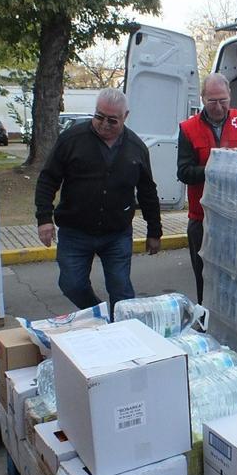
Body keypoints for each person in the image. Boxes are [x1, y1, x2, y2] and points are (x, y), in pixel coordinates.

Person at [35, 87, 162, 314]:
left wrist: (154, 231)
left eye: (112, 120)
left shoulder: (136, 148)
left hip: (116, 233)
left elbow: (147, 192)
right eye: (99, 117)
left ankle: (126, 332)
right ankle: (99, 315)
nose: (104, 124)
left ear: (126, 117)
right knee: (71, 284)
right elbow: (48, 179)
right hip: (75, 231)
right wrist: (44, 218)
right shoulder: (71, 140)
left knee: (121, 290)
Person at [177, 74, 237, 302]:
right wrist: (215, 167)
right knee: (205, 278)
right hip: (202, 219)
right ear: (202, 98)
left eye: (223, 100)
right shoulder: (188, 128)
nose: (218, 106)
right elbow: (183, 172)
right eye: (212, 101)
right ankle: (206, 323)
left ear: (230, 96)